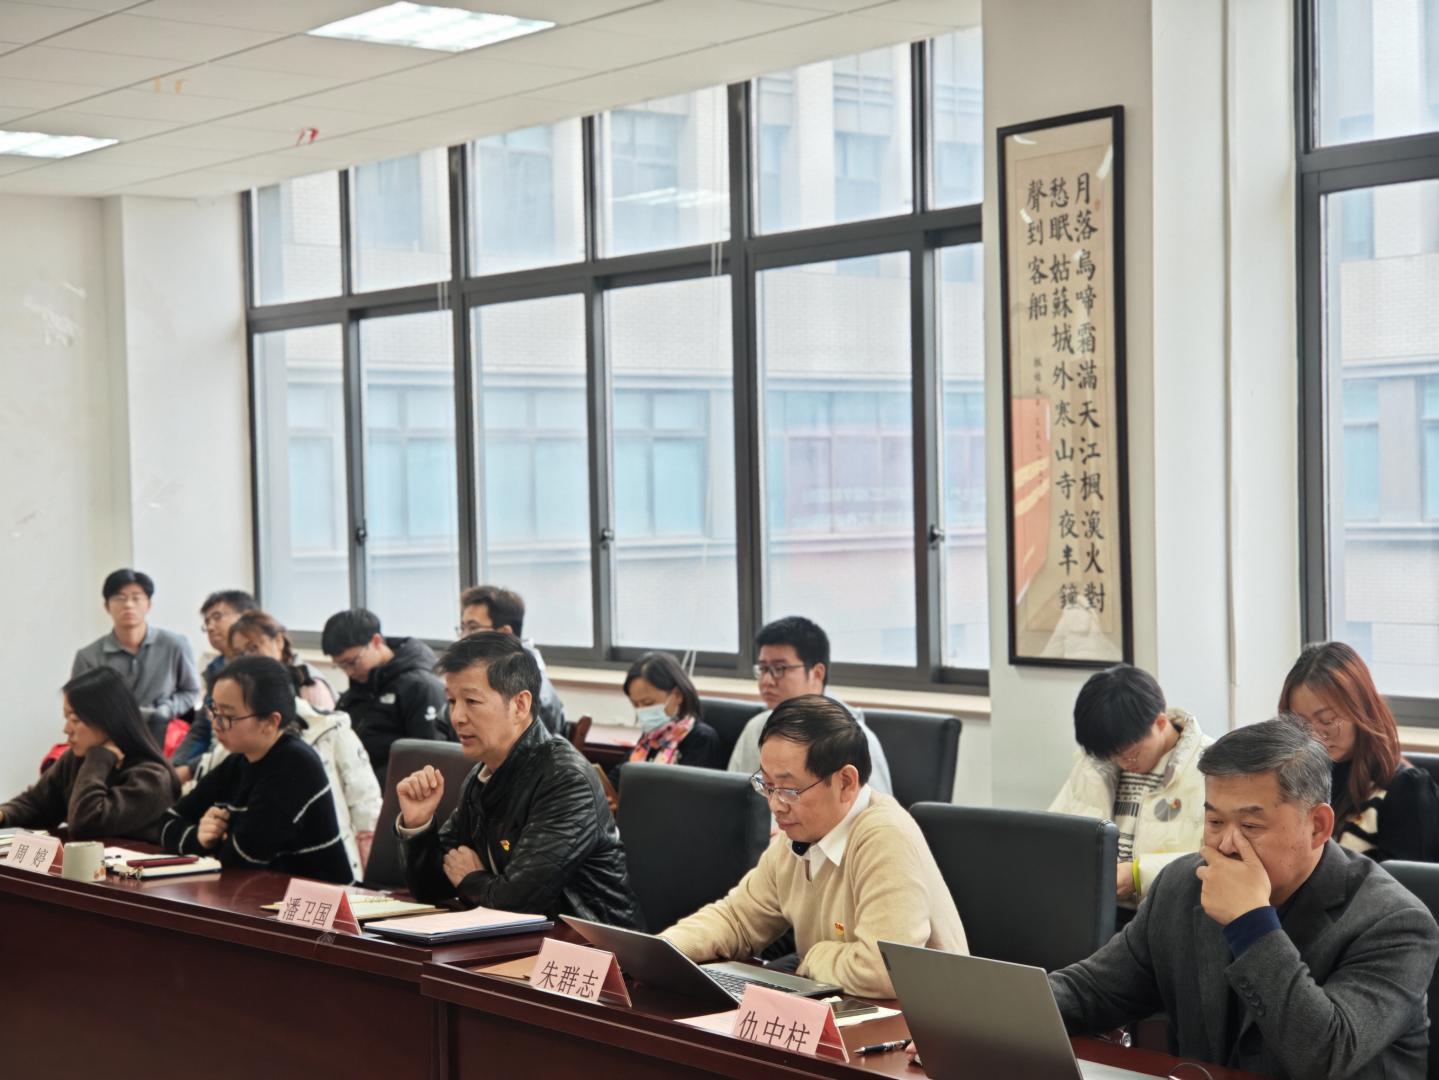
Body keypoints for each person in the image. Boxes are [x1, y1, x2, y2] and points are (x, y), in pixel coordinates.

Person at [1048, 717, 1439, 1079]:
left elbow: (1323, 1056)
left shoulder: (1396, 923)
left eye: (1251, 825)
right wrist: (1016, 1003)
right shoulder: (1182, 886)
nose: (1226, 844)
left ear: (1318, 826)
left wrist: (1251, 923)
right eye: (1215, 821)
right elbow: (1091, 992)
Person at [662, 696, 967, 999]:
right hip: (844, 1004)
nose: (775, 805)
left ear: (846, 782)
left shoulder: (885, 835)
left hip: (922, 1017)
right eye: (767, 785)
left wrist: (814, 956)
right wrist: (664, 949)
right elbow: (737, 920)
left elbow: (885, 971)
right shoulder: (798, 837)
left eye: (789, 789)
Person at [393, 632, 641, 926]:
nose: (456, 716)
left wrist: (471, 879)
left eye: (471, 701)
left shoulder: (565, 779)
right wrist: (418, 825)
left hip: (590, 947)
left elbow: (517, 902)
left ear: (520, 705)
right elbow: (432, 889)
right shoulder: (482, 776)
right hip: (519, 941)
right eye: (452, 700)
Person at [213, 612, 380, 879]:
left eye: (253, 647)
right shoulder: (237, 741)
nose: (246, 658)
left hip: (320, 878)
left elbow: (365, 804)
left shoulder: (316, 726)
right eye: (239, 653)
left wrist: (372, 878)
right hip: (265, 878)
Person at [159, 656, 353, 885]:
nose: (215, 724)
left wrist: (216, 841)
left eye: (228, 716)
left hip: (314, 902)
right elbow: (167, 823)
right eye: (214, 710)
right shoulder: (237, 762)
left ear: (270, 722)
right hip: (257, 895)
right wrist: (199, 837)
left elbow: (241, 860)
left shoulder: (295, 765)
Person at [1048, 664, 1212, 907]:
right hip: (1092, 908)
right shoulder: (1095, 765)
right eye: (1111, 756)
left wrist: (1139, 874)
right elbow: (1054, 836)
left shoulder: (1209, 768)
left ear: (1160, 722)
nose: (1122, 764)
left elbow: (1212, 860)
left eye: (1130, 755)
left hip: (1161, 913)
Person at [1280, 641, 1439, 863]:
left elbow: (1406, 882)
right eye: (1301, 723)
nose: (1314, 735)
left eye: (1327, 720)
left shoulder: (1405, 790)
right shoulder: (1296, 780)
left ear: (1362, 711)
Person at [0, 668, 178, 840]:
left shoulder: (152, 778)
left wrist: (99, 760)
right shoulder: (75, 758)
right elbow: (37, 803)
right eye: (66, 718)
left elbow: (86, 824)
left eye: (75, 720)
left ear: (108, 720)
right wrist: (3, 814)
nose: (66, 729)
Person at [726, 616, 893, 796]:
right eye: (763, 669)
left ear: (817, 674)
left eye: (779, 668)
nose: (767, 680)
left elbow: (880, 810)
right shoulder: (755, 728)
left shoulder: (854, 740)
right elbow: (731, 798)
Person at [72, 568, 202, 747]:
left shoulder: (175, 645)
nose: (128, 605)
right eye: (120, 598)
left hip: (163, 730)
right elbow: (80, 706)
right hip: (111, 736)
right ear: (107, 606)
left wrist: (166, 709)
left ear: (149, 604)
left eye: (136, 598)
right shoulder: (88, 656)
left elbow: (191, 691)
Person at [323, 608, 454, 786]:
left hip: (397, 790)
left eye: (352, 662)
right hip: (356, 784)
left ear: (376, 641)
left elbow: (430, 755)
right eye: (341, 666)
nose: (349, 672)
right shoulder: (362, 683)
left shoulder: (420, 687)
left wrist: (371, 783)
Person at [173, 589, 259, 783]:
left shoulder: (262, 673)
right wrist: (175, 767)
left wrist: (188, 771)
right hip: (207, 763)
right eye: (207, 622)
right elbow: (201, 730)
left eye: (217, 617)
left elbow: (243, 741)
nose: (211, 626)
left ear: (246, 616)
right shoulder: (215, 669)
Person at [458, 586, 566, 734]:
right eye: (462, 628)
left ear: (504, 633)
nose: (463, 638)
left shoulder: (531, 688)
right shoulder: (480, 673)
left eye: (473, 628)